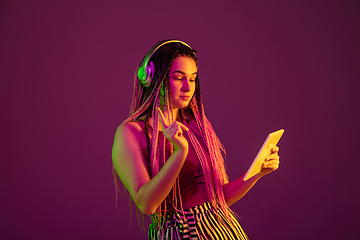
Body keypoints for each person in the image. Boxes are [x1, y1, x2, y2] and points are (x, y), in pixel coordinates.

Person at [112, 40, 280, 240]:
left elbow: (220, 198)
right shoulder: (130, 132)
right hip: (181, 233)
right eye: (178, 78)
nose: (187, 87)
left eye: (192, 79)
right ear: (152, 78)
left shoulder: (197, 125)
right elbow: (147, 204)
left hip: (224, 230)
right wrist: (179, 153)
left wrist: (256, 173)